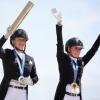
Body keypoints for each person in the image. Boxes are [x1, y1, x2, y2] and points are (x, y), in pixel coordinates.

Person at [52, 8, 100, 100]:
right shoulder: (63, 59)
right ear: (69, 49)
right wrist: (59, 25)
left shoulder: (81, 62)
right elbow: (59, 44)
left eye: (80, 49)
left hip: (77, 97)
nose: (78, 51)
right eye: (76, 48)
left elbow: (93, 51)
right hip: (64, 96)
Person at [0, 27, 38, 100]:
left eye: (23, 40)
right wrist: (5, 36)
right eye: (19, 39)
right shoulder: (7, 53)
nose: (21, 42)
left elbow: (35, 77)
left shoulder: (30, 59)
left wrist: (30, 81)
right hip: (9, 91)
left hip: (22, 93)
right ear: (13, 41)